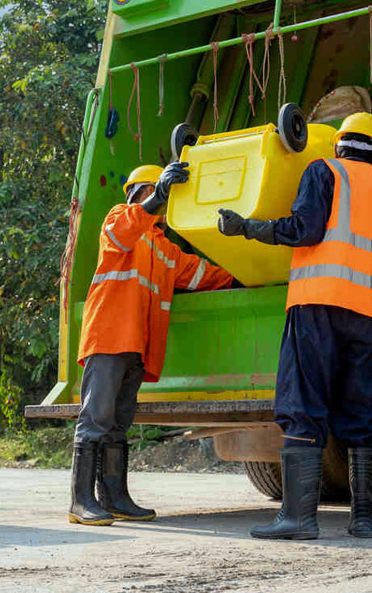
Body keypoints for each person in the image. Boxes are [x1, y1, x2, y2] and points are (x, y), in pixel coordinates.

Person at [218, 112, 372, 540]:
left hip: (318, 304)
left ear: (339, 144)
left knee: (303, 404)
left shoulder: (325, 171)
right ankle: (362, 520)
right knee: (359, 409)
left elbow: (304, 229)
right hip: (368, 315)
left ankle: (299, 519)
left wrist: (247, 227)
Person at [71, 161, 235, 526]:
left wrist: (246, 272)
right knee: (95, 419)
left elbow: (202, 274)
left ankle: (114, 497)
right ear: (139, 193)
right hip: (110, 337)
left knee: (117, 423)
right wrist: (157, 196)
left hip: (136, 346)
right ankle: (81, 501)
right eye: (154, 192)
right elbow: (123, 231)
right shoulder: (119, 219)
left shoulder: (165, 249)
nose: (158, 201)